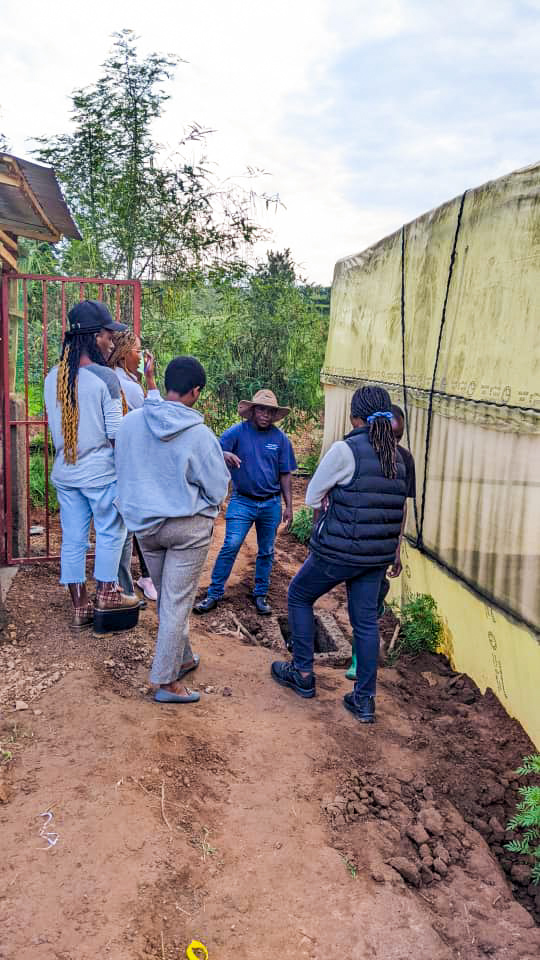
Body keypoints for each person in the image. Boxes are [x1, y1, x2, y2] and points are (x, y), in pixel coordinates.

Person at [271, 386, 407, 723]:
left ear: (354, 417)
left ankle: (302, 674)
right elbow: (397, 506)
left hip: (339, 550)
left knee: (300, 595)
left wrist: (333, 500)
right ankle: (364, 701)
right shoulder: (402, 458)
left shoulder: (347, 450)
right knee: (364, 622)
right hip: (376, 556)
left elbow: (315, 495)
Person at [114, 356, 230, 704]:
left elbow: (122, 468)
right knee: (177, 602)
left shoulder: (131, 423)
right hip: (187, 528)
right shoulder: (199, 434)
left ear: (166, 384)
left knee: (168, 596)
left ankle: (182, 657)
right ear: (195, 392)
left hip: (146, 528)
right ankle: (166, 682)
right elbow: (216, 487)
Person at [44, 300, 141, 628]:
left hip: (66, 472)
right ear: (91, 336)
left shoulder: (52, 378)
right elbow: (116, 436)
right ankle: (108, 592)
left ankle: (80, 606)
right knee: (112, 529)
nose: (111, 342)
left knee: (72, 537)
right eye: (106, 335)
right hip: (100, 473)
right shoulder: (105, 379)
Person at [193, 389, 297, 617]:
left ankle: (260, 594)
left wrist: (288, 505)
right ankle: (214, 593)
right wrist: (224, 455)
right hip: (243, 501)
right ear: (252, 411)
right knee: (231, 544)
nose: (265, 415)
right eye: (261, 409)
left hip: (270, 503)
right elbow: (213, 450)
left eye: (270, 411)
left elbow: (285, 474)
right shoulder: (237, 432)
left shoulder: (280, 439)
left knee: (267, 551)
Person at [345, 402, 416, 679]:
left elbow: (402, 507)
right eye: (391, 434)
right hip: (357, 542)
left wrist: (397, 548)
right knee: (358, 602)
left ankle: (359, 662)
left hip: (382, 546)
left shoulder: (404, 460)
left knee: (369, 606)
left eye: (399, 437)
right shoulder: (361, 454)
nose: (394, 442)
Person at [108, 328, 159, 602]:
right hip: (132, 463)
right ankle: (126, 588)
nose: (140, 356)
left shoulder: (122, 378)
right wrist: (150, 381)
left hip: (123, 462)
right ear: (125, 353)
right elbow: (154, 415)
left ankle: (131, 582)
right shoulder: (127, 385)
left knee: (124, 528)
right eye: (138, 351)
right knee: (130, 528)